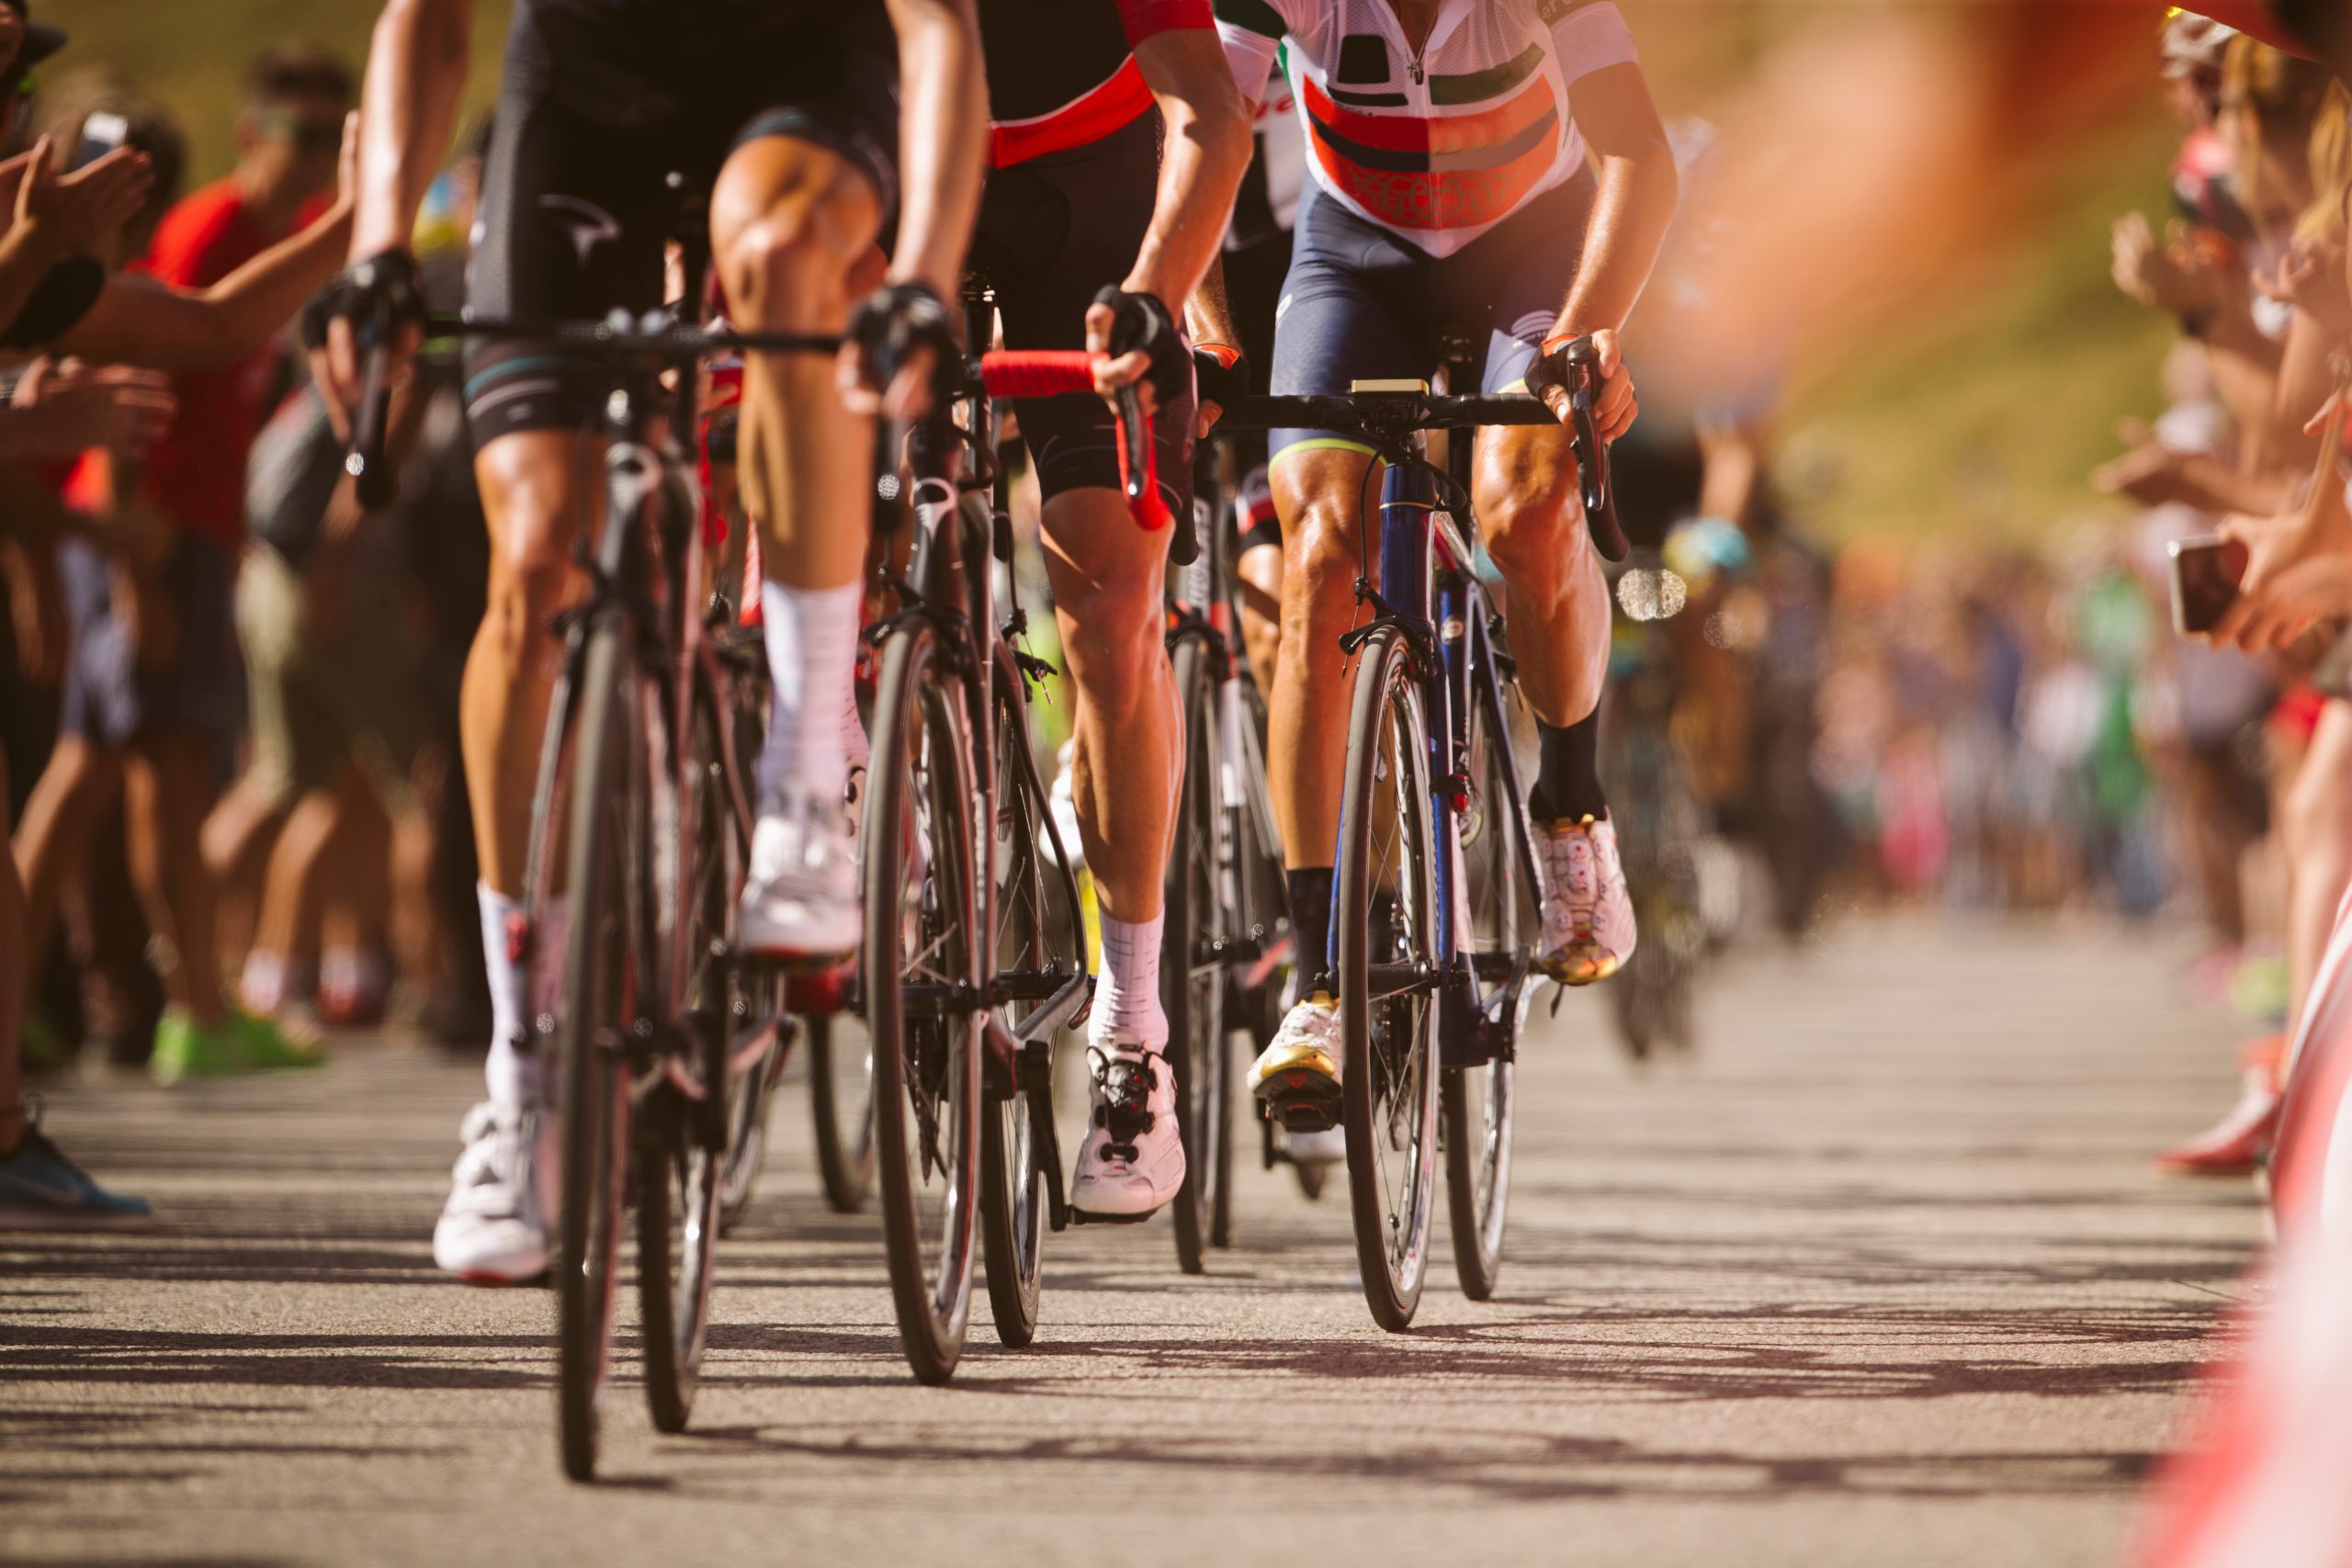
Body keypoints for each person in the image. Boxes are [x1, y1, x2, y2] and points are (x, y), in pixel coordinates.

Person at [311, 0, 988, 1282]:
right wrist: (380, 247)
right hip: (583, 92)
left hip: (801, 76)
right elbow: (429, 18)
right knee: (534, 558)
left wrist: (922, 281)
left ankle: (800, 788)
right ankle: (524, 1078)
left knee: (788, 253)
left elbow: (939, 30)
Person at [1202, 0, 1678, 1144]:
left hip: (1532, 249)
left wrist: (1591, 330)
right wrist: (1199, 319)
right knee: (1316, 554)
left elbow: (1637, 156)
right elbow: (1205, 131)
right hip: (1353, 258)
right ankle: (1317, 980)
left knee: (1524, 508)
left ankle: (1570, 804)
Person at [11, 48, 356, 1083]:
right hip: (148, 534)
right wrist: (125, 557)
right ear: (254, 134)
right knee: (150, 777)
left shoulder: (251, 238)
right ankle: (194, 1008)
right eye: (300, 135)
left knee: (117, 778)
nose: (314, 160)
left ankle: (144, 1003)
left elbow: (206, 345)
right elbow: (136, 377)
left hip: (178, 530)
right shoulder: (205, 229)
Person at [962, 0, 1250, 1216]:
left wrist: (1153, 291)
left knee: (1107, 612)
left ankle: (1133, 1026)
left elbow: (1211, 112)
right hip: (908, 177)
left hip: (1095, 201)